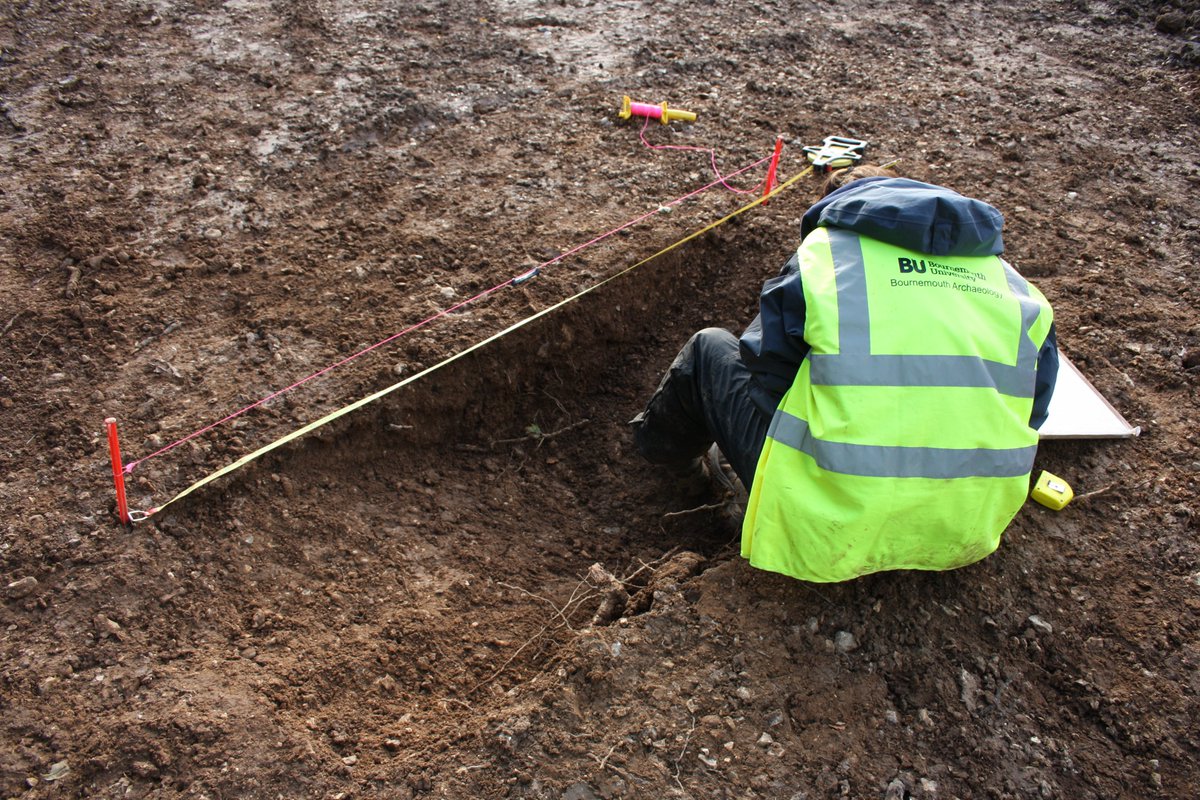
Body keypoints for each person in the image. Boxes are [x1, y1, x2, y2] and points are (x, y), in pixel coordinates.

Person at [630, 165, 1058, 583]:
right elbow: (1034, 410)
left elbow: (766, 380)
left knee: (710, 348)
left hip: (831, 517)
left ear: (838, 205)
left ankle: (676, 469)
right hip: (963, 525)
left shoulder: (829, 256)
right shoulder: (1015, 287)